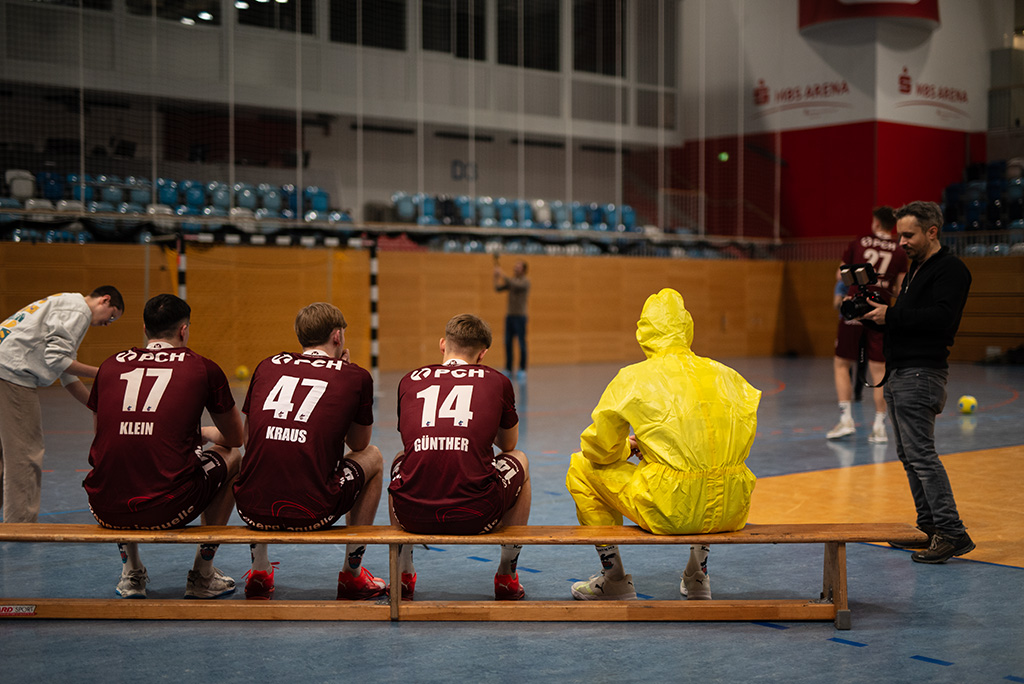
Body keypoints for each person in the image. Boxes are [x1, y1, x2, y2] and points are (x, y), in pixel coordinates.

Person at [566, 288, 760, 600]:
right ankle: (698, 576)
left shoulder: (633, 378)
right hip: (733, 505)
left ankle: (613, 578)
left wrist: (631, 448)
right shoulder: (728, 376)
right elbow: (731, 442)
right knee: (712, 473)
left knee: (581, 467)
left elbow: (599, 450)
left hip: (670, 508)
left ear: (643, 332)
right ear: (687, 328)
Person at [83, 294, 243, 599]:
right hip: (170, 506)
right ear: (184, 330)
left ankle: (131, 573)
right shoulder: (202, 368)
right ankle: (203, 574)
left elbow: (102, 438)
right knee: (231, 457)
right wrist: (205, 433)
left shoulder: (109, 365)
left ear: (145, 328)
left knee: (118, 463)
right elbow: (235, 438)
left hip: (105, 508)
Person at [233, 302, 386, 601]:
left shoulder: (267, 365)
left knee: (255, 457)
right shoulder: (355, 376)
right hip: (314, 509)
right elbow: (358, 445)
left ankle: (260, 571)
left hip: (251, 509)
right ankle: (352, 573)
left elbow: (248, 439)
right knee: (375, 457)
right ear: (338, 336)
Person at [859, 200, 974, 564]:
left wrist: (891, 315)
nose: (902, 242)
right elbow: (909, 316)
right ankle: (928, 527)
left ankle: (952, 532)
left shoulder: (950, 270)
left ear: (931, 231)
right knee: (909, 456)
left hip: (921, 373)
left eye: (908, 235)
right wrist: (881, 317)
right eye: (899, 235)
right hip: (901, 371)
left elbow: (941, 318)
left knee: (922, 456)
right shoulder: (916, 270)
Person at [388, 313, 531, 601]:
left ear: (443, 345)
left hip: (412, 515)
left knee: (399, 458)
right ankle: (507, 573)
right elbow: (508, 444)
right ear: (483, 353)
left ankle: (403, 573)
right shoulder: (497, 381)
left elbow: (409, 438)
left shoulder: (409, 380)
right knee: (521, 458)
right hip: (477, 514)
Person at [0, 286, 124, 523]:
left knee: (2, 455)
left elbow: (66, 373)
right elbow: (57, 360)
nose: (107, 324)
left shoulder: (63, 303)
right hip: (11, 374)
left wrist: (98, 406)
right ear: (104, 300)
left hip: (3, 368)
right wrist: (104, 372)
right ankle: (20, 526)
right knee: (26, 453)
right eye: (110, 317)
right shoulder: (78, 311)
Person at [828, 207, 908, 442]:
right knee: (879, 370)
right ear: (892, 225)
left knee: (842, 363)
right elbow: (899, 289)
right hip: (880, 311)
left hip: (855, 306)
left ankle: (845, 420)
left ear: (875, 222)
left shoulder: (859, 242)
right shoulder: (899, 250)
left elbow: (839, 274)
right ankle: (880, 427)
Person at [493, 258, 530, 380]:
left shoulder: (525, 282)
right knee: (508, 343)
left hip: (520, 317)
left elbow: (514, 284)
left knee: (521, 344)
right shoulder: (512, 281)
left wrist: (501, 273)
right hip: (510, 317)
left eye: (518, 267)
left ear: (524, 270)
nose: (515, 268)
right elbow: (497, 288)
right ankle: (508, 368)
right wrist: (496, 276)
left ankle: (522, 369)